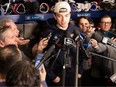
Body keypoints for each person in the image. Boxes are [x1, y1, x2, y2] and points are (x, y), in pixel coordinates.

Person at [41, 1, 81, 86]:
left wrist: (80, 71)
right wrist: (52, 76)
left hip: (73, 76)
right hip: (56, 77)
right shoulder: (48, 33)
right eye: (60, 16)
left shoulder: (76, 30)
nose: (63, 20)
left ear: (70, 15)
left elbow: (84, 52)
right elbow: (42, 56)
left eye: (66, 16)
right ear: (55, 16)